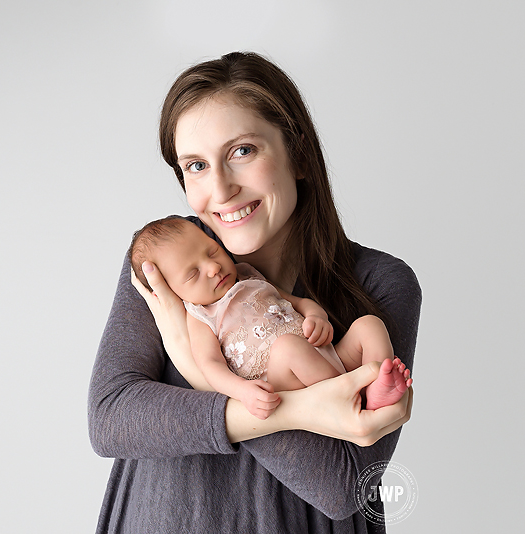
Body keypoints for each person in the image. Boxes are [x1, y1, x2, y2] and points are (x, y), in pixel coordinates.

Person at [88, 51, 421, 532]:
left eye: (242, 151)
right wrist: (299, 409)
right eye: (196, 165)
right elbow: (111, 418)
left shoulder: (380, 281)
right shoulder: (168, 259)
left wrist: (193, 369)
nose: (220, 189)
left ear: (299, 155)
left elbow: (343, 487)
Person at [129, 216, 413, 417]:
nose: (213, 268)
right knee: (288, 348)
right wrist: (243, 393)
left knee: (369, 325)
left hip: (325, 355)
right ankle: (347, 397)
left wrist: (317, 317)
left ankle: (378, 384)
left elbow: (299, 302)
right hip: (284, 378)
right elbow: (210, 366)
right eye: (193, 274)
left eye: (212, 251)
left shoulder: (248, 274)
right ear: (173, 291)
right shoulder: (201, 315)